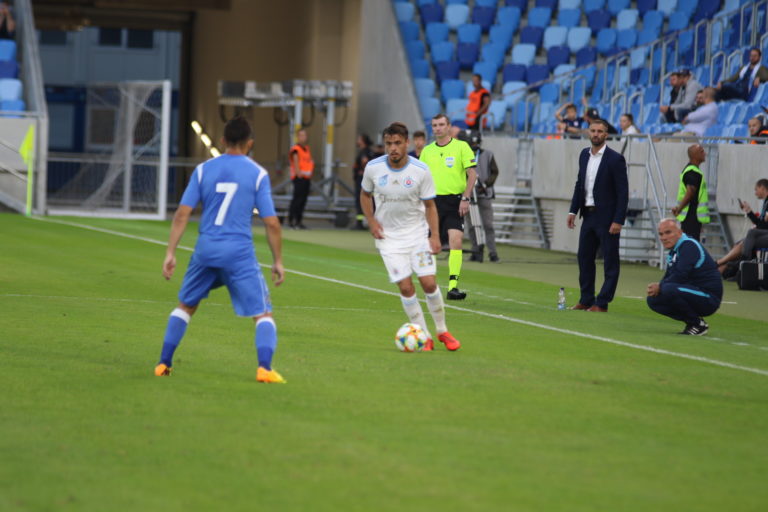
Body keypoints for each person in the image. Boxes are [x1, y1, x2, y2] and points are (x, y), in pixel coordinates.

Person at [155, 116, 286, 383]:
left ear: (223, 140)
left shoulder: (203, 170)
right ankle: (264, 368)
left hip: (205, 250)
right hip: (238, 254)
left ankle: (163, 364)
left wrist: (170, 252)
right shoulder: (257, 174)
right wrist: (278, 260)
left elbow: (182, 214)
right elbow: (271, 222)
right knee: (263, 313)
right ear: (250, 143)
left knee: (186, 306)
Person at [360, 122, 462, 352]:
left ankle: (442, 330)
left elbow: (430, 206)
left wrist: (434, 235)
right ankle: (424, 336)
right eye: (388, 144)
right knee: (406, 288)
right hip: (389, 240)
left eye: (397, 143)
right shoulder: (373, 168)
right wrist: (372, 221)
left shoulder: (420, 170)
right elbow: (365, 196)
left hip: (417, 236)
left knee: (429, 283)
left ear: (406, 143)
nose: (392, 148)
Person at [567, 119, 629, 312]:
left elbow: (622, 192)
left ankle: (602, 302)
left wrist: (618, 220)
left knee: (610, 260)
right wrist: (573, 210)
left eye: (600, 131)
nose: (596, 134)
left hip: (608, 217)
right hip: (588, 214)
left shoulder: (615, 159)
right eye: (593, 131)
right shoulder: (584, 155)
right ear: (588, 132)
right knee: (584, 258)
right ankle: (586, 299)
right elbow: (580, 184)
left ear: (606, 134)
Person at [420, 113, 478, 300]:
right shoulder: (427, 151)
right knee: (431, 245)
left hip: (455, 201)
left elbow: (472, 175)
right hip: (433, 203)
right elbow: (421, 178)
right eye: (434, 125)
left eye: (441, 125)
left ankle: (453, 286)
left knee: (456, 241)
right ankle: (428, 284)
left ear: (449, 126)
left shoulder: (461, 147)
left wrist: (466, 198)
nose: (438, 128)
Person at [647, 218, 722, 336]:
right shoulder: (675, 251)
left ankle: (697, 324)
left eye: (668, 232)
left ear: (680, 232)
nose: (664, 238)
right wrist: (657, 288)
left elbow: (680, 275)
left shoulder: (688, 245)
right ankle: (694, 322)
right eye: (661, 234)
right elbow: (669, 276)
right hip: (692, 293)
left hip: (708, 297)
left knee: (667, 289)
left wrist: (660, 286)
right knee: (654, 300)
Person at [716, 178, 768, 272]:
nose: (755, 193)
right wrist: (748, 211)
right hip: (763, 234)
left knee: (750, 235)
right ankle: (728, 268)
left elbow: (763, 225)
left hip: (764, 235)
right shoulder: (765, 202)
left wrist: (754, 218)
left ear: (762, 188)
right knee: (738, 244)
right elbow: (761, 224)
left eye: (756, 189)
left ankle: (740, 263)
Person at [463, 131, 500, 263]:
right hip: (470, 194)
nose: (474, 145)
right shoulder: (464, 155)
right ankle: (476, 251)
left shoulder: (488, 155)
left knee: (488, 224)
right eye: (472, 143)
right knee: (472, 225)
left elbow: (495, 172)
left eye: (476, 142)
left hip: (484, 194)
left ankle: (493, 253)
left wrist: (485, 184)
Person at [671, 144, 709, 241]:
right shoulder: (693, 172)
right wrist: (679, 209)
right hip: (691, 217)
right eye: (702, 151)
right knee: (691, 245)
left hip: (691, 217)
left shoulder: (692, 170)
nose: (705, 153)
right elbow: (690, 193)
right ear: (695, 155)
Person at [288, 128, 314, 229]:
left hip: (307, 178)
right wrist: (298, 174)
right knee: (297, 199)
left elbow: (309, 162)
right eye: (301, 135)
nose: (303, 137)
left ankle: (299, 221)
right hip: (299, 178)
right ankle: (291, 220)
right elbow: (296, 163)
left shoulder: (307, 149)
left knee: (303, 200)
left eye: (304, 135)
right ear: (298, 137)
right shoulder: (295, 149)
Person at [353, 133, 374, 230]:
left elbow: (365, 162)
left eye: (359, 139)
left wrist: (363, 172)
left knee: (360, 198)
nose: (357, 141)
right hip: (363, 179)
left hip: (361, 179)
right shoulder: (368, 151)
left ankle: (360, 223)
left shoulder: (364, 152)